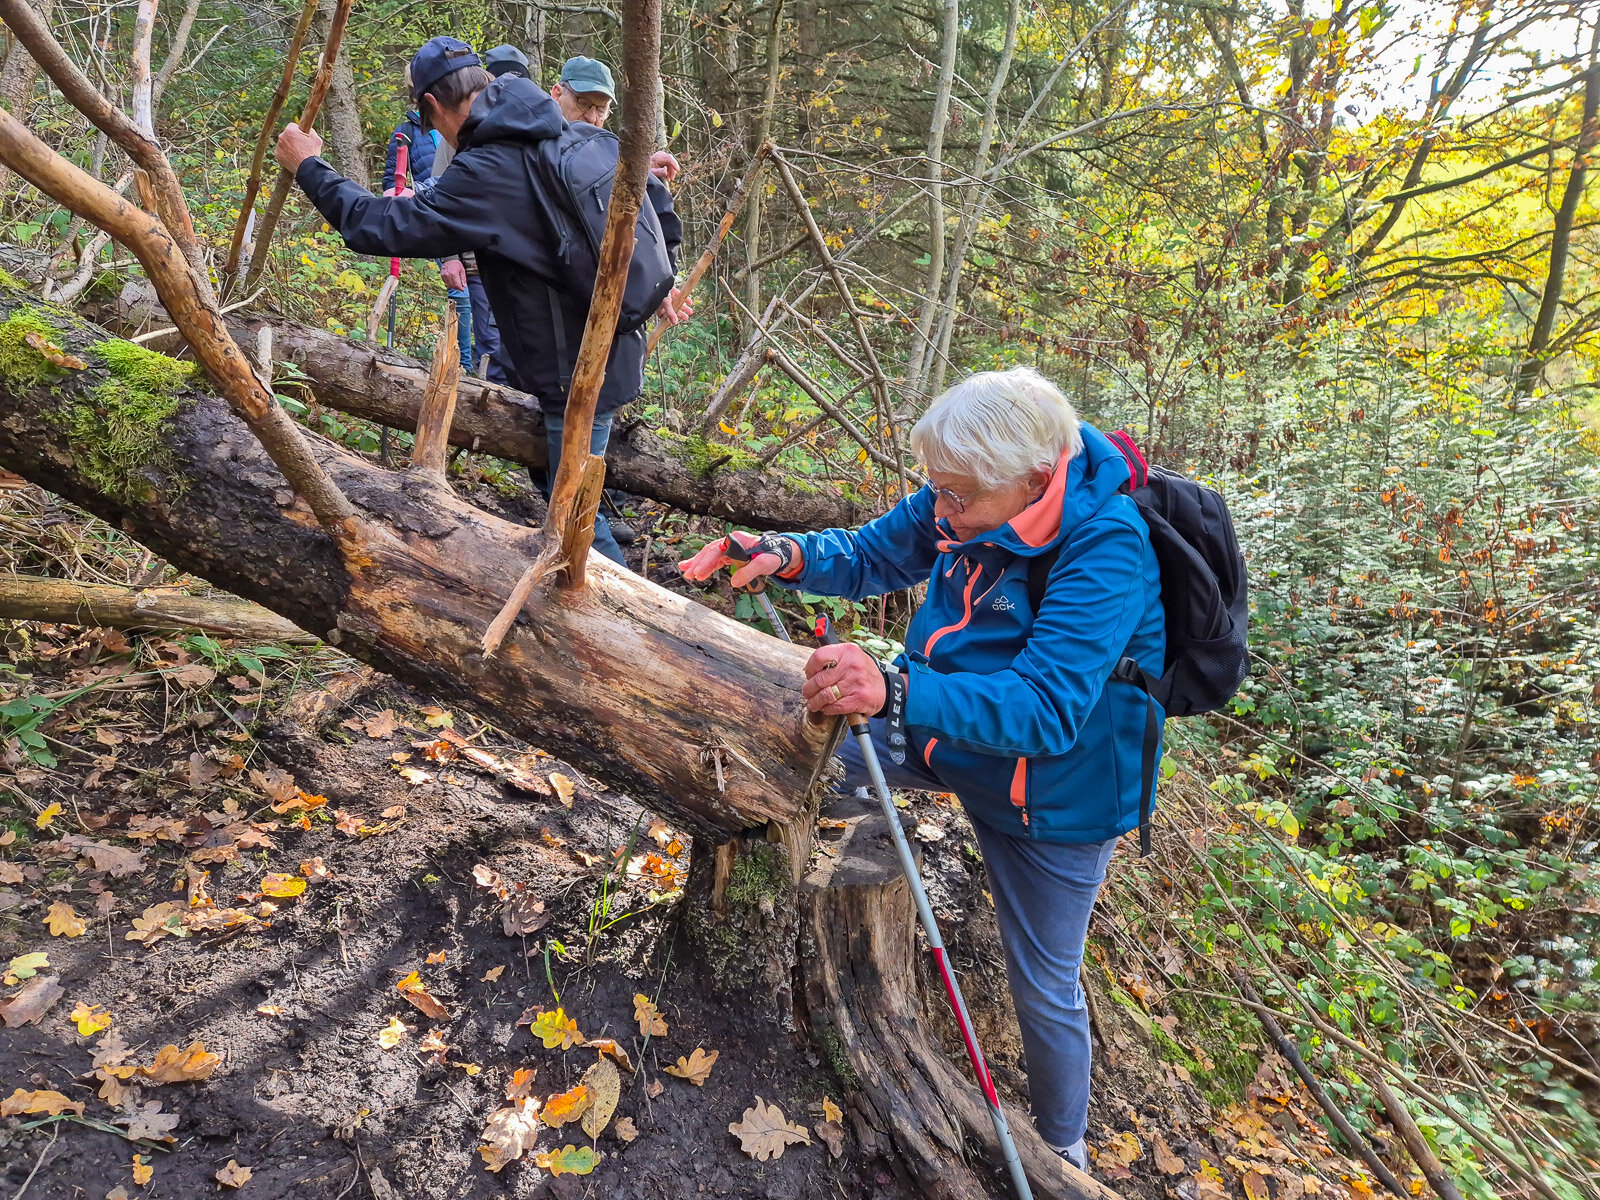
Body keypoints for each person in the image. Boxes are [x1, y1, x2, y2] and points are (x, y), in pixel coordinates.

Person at [677, 367, 1166, 1171]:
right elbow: (874, 552)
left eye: (957, 498)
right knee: (786, 771)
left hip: (1052, 797)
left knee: (1045, 985)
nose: (941, 512)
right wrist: (785, 554)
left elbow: (1044, 711)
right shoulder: (970, 492)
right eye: (935, 491)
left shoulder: (1108, 547)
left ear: (1037, 478)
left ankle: (1062, 1155)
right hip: (937, 735)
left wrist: (896, 688)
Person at [274, 36, 690, 566]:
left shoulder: (487, 169)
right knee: (563, 486)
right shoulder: (575, 132)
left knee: (574, 527)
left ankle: (636, 626)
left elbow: (381, 227)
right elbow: (653, 196)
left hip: (578, 372)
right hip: (608, 354)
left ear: (431, 107)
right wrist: (662, 276)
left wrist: (311, 167)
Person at [382, 52, 507, 385]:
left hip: (490, 252)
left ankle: (480, 382)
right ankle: (464, 375)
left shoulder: (488, 129)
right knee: (465, 312)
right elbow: (407, 189)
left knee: (495, 338)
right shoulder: (410, 133)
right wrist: (449, 257)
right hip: (456, 245)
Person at [550, 55, 681, 184]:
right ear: (557, 95)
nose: (591, 118)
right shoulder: (536, 143)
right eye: (583, 103)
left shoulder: (605, 154)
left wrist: (638, 169)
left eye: (601, 109)